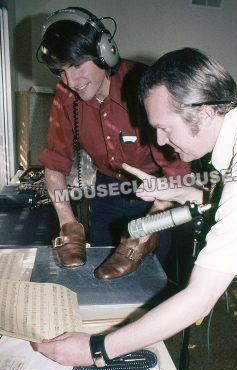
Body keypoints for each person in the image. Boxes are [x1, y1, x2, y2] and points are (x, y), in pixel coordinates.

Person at [36, 48, 237, 370]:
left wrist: (97, 349)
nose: (160, 141)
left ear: (206, 111)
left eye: (165, 128)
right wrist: (180, 189)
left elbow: (200, 298)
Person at [36, 7, 190, 277]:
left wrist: (148, 227)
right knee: (103, 269)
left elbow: (177, 175)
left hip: (156, 189)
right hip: (106, 187)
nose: (71, 81)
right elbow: (55, 161)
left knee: (152, 273)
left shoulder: (145, 86)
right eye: (61, 71)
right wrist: (68, 223)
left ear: (104, 53)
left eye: (76, 64)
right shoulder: (65, 93)